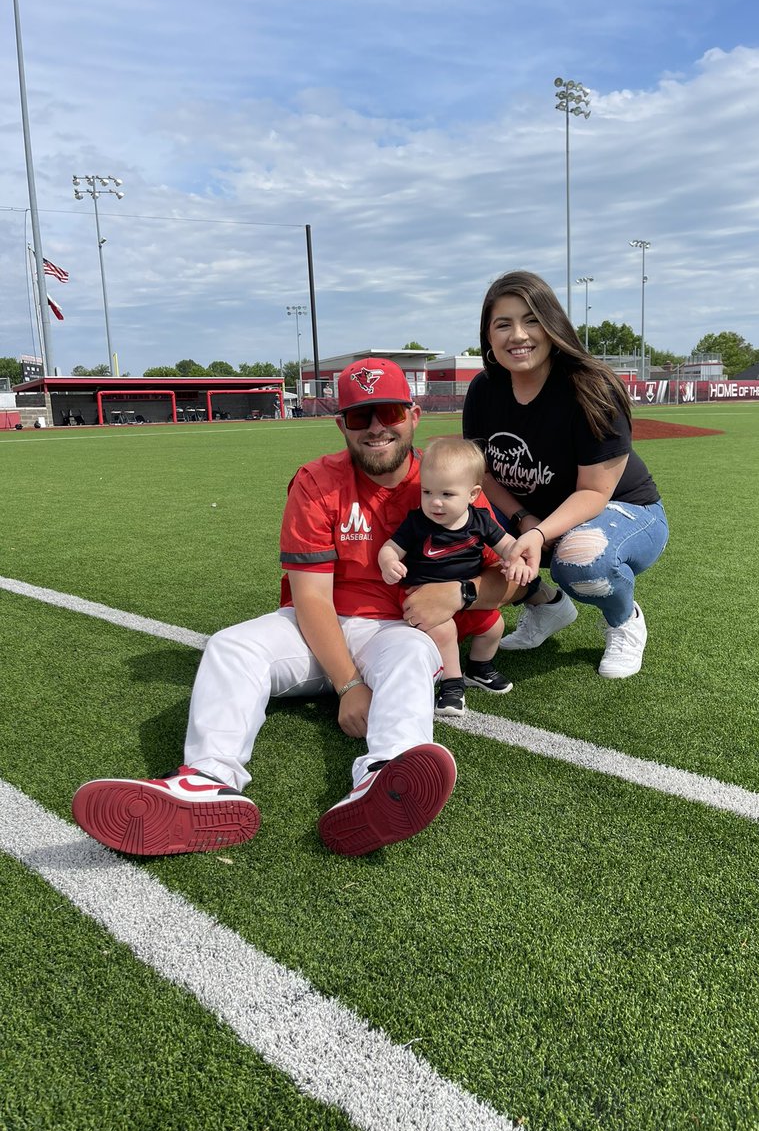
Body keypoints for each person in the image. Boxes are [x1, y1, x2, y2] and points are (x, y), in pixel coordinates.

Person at [72, 360, 514, 859]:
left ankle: (383, 781)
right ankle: (205, 781)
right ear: (340, 423)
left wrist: (462, 594)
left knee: (414, 655)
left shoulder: (444, 479)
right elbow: (310, 598)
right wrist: (349, 684)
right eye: (357, 416)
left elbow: (510, 578)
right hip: (315, 628)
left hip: (395, 629)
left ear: (413, 415)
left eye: (387, 411)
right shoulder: (317, 481)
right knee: (231, 645)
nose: (374, 428)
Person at [463, 270, 668, 679]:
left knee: (580, 559)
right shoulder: (485, 390)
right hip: (534, 514)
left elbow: (594, 491)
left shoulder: (590, 387)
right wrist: (523, 519)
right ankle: (547, 605)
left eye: (531, 319)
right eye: (503, 324)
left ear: (552, 324)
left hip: (624, 510)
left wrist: (537, 535)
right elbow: (482, 474)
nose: (518, 335)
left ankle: (624, 620)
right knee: (456, 524)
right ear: (488, 336)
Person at [378, 435, 535, 716]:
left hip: (464, 599)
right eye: (427, 492)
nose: (435, 503)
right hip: (423, 598)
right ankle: (452, 685)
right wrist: (388, 561)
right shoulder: (417, 523)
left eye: (447, 495)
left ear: (473, 494)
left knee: (494, 626)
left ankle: (479, 668)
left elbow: (508, 544)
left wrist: (518, 559)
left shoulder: (480, 520)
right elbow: (391, 548)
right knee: (445, 632)